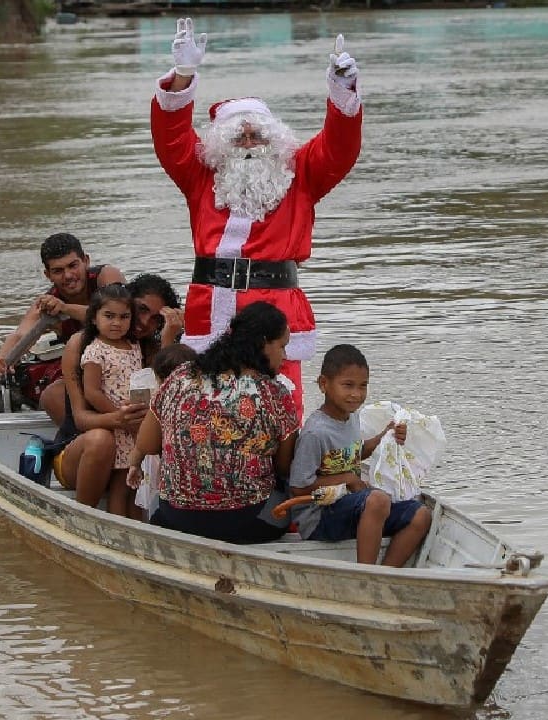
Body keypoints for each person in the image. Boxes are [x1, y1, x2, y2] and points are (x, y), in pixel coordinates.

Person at [151, 17, 363, 413]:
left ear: (274, 139)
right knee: (208, 406)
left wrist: (342, 90)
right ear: (221, 145)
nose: (249, 145)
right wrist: (183, 74)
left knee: (280, 404)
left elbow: (339, 149)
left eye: (257, 136)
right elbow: (171, 138)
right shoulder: (201, 176)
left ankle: (283, 475)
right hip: (211, 305)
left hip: (276, 307)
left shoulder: (299, 173)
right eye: (239, 138)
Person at [127, 302, 299, 544]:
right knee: (287, 495)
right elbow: (284, 466)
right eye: (282, 346)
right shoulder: (274, 393)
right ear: (262, 343)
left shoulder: (180, 377)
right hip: (250, 524)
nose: (284, 356)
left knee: (158, 499)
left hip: (174, 519)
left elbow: (148, 443)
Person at [288, 344, 431, 566]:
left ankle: (384, 576)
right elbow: (298, 486)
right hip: (319, 517)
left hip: (353, 507)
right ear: (323, 384)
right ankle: (365, 574)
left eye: (363, 386)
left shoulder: (351, 418)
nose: (356, 394)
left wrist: (385, 436)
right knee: (377, 499)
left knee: (421, 515)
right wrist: (348, 479)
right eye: (348, 385)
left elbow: (351, 455)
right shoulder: (316, 433)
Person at [51, 274, 183, 509]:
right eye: (141, 309)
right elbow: (81, 419)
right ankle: (85, 519)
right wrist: (119, 419)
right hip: (80, 453)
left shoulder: (149, 349)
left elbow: (169, 404)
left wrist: (168, 342)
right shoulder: (83, 345)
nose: (144, 322)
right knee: (102, 440)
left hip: (131, 449)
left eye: (155, 319)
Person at [0, 232, 126, 425]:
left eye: (73, 266)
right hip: (86, 371)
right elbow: (21, 335)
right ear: (48, 275)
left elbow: (117, 313)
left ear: (85, 261)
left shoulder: (106, 276)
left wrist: (66, 308)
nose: (68, 276)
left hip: (127, 361)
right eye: (58, 271)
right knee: (51, 396)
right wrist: (1, 359)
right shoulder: (47, 303)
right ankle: (84, 439)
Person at [77, 284, 143, 517]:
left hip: (135, 422)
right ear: (94, 318)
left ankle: (140, 530)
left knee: (136, 482)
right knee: (120, 484)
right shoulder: (96, 351)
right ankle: (119, 529)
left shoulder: (134, 347)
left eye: (124, 317)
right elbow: (92, 392)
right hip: (116, 425)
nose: (117, 323)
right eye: (109, 316)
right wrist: (118, 416)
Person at [129, 342, 199, 521]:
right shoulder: (203, 402)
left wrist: (134, 465)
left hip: (168, 476)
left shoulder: (162, 401)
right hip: (198, 478)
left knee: (159, 493)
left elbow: (142, 446)